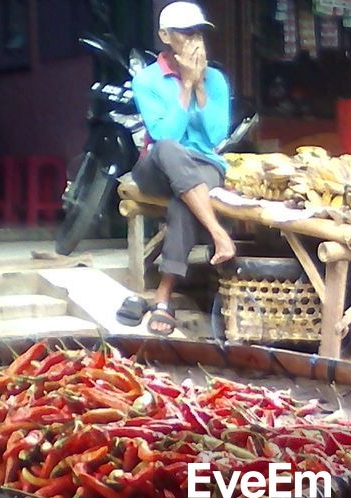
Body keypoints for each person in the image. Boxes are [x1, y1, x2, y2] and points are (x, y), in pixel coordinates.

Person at [130, 1, 235, 336]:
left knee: (184, 201)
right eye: (185, 33)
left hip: (203, 164)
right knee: (170, 149)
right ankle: (218, 234)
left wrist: (201, 84)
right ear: (165, 36)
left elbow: (216, 136)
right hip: (157, 164)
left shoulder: (216, 79)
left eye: (198, 32)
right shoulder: (147, 80)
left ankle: (164, 295)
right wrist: (186, 87)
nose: (194, 39)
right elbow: (164, 135)